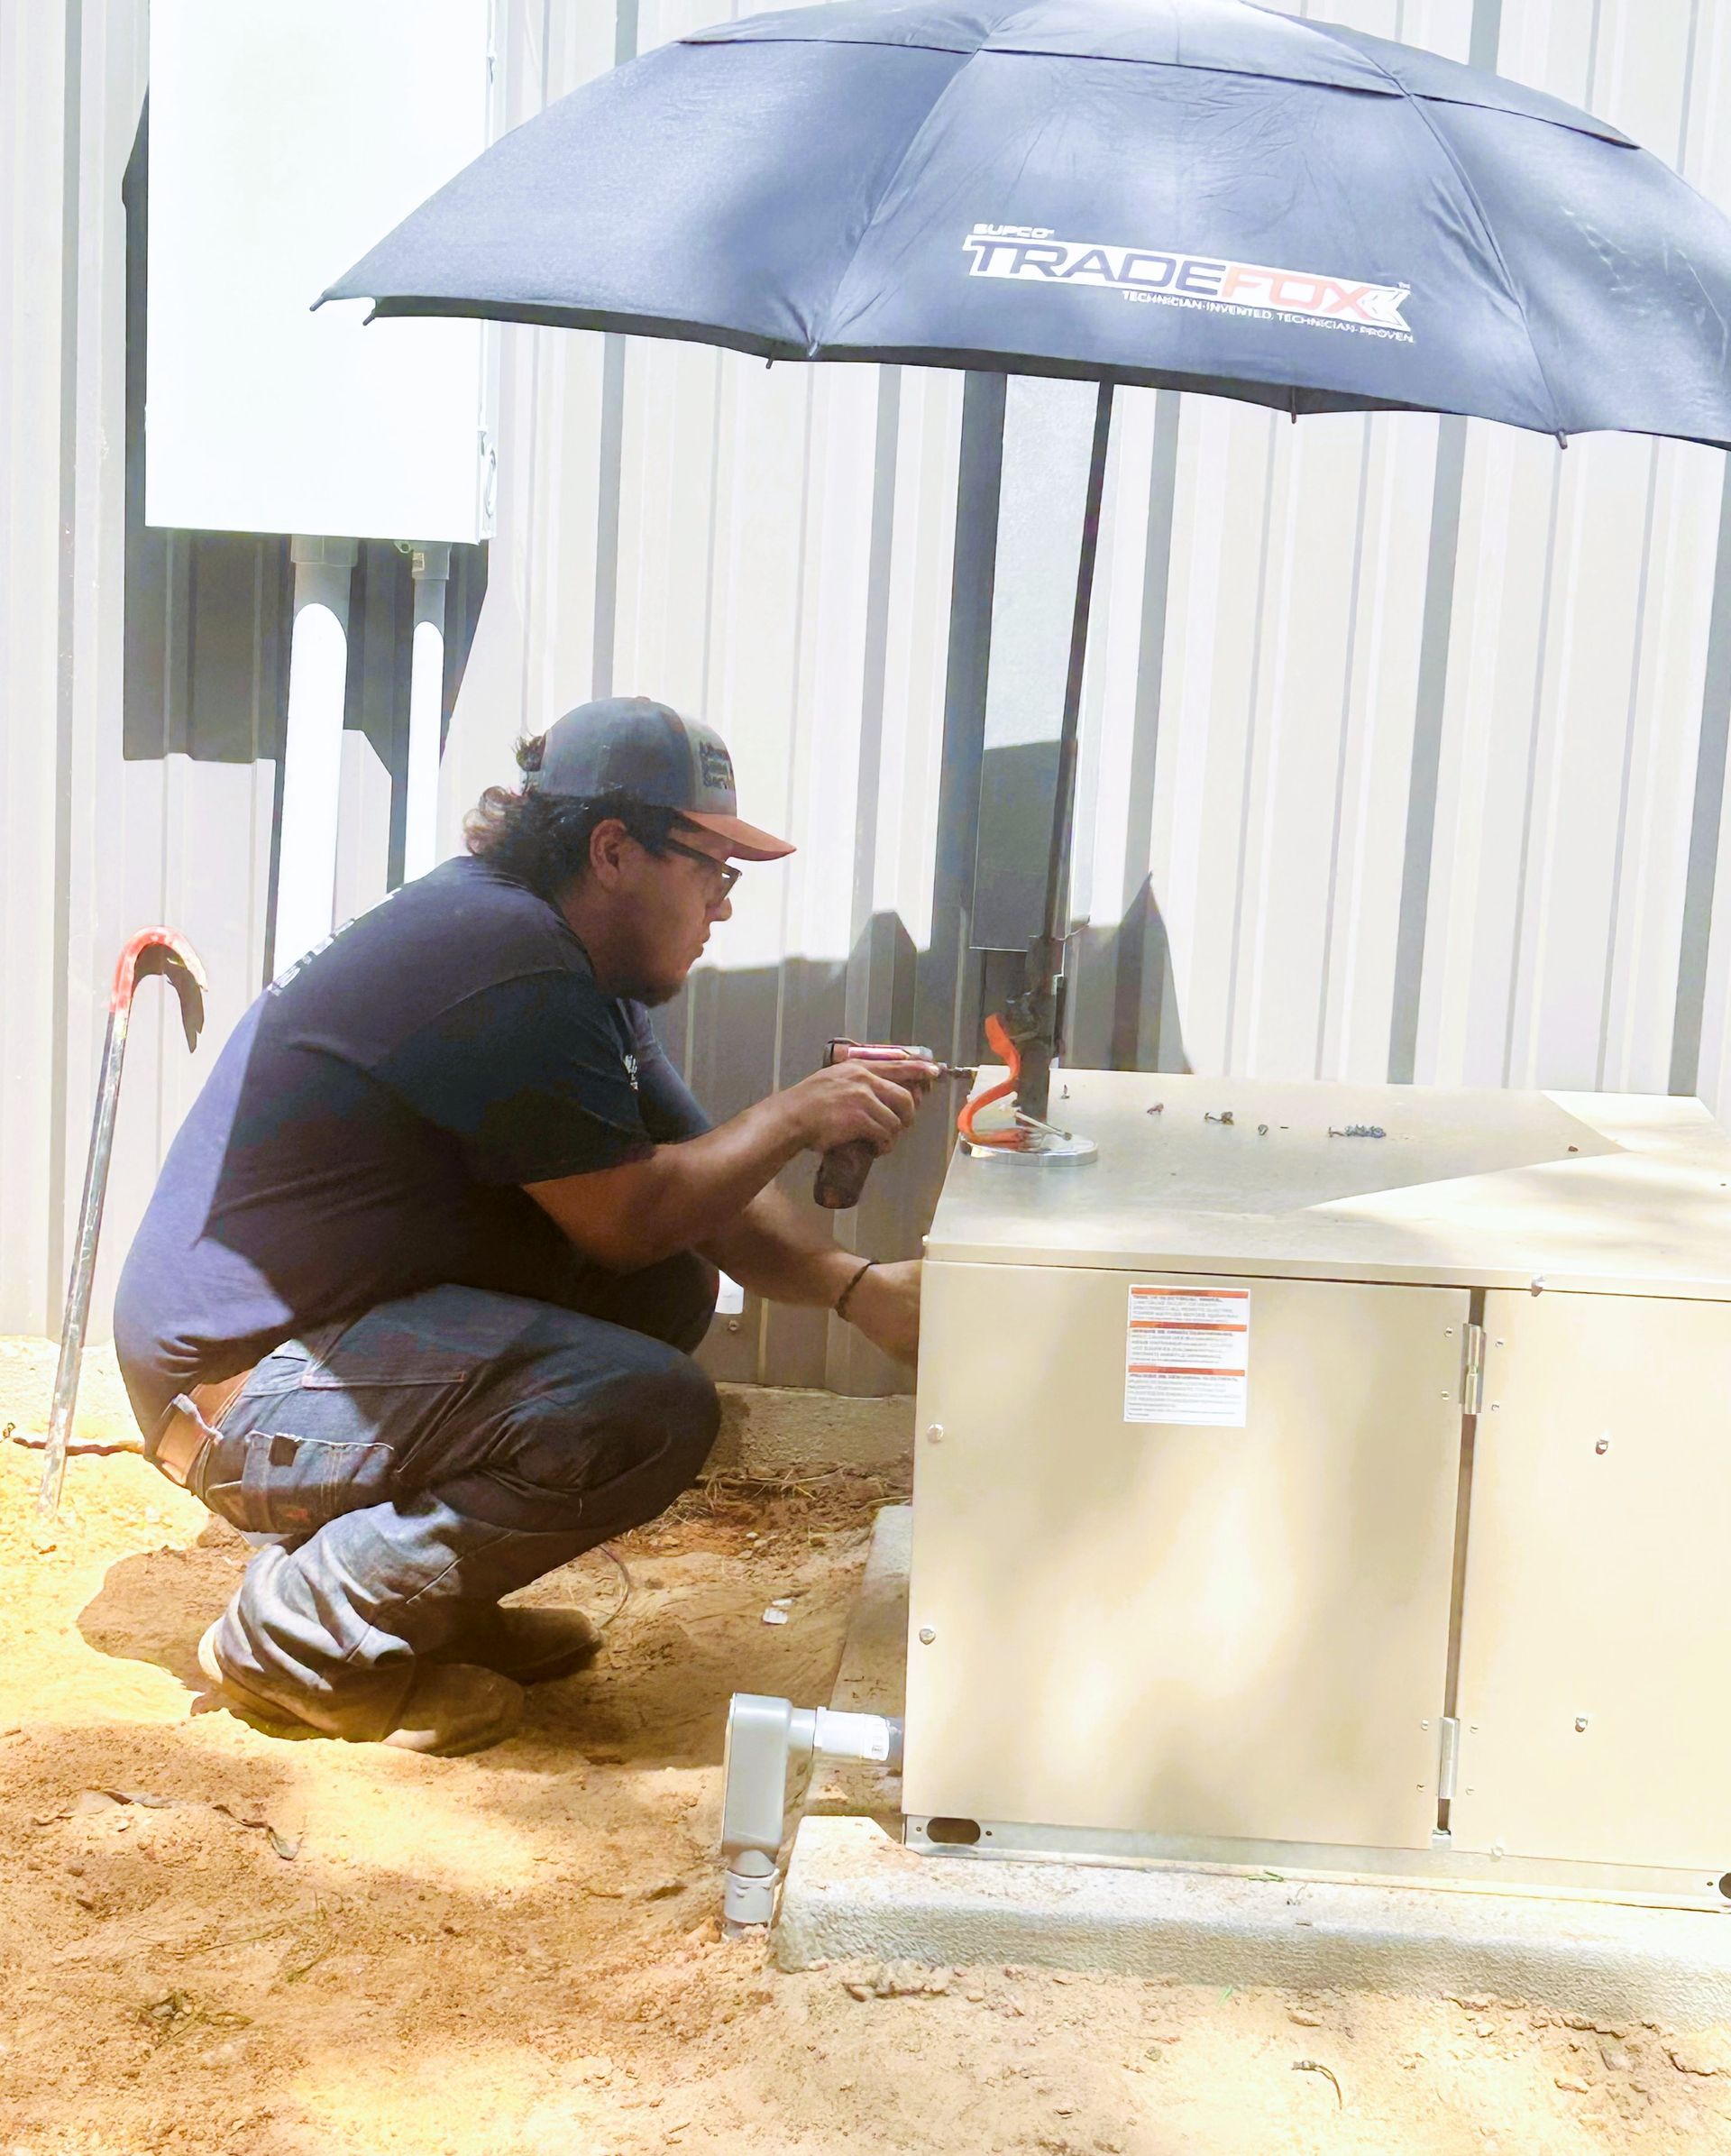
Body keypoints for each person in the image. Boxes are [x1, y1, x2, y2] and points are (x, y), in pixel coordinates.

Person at [113, 697, 936, 1757]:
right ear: (613, 851)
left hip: (315, 1352)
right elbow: (632, 1220)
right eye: (713, 871)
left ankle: (424, 1601)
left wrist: (857, 1290)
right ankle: (301, 1636)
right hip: (242, 1390)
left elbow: (701, 1201)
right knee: (642, 1406)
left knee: (666, 1297)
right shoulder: (509, 960)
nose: (723, 907)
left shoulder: (560, 957)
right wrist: (792, 1115)